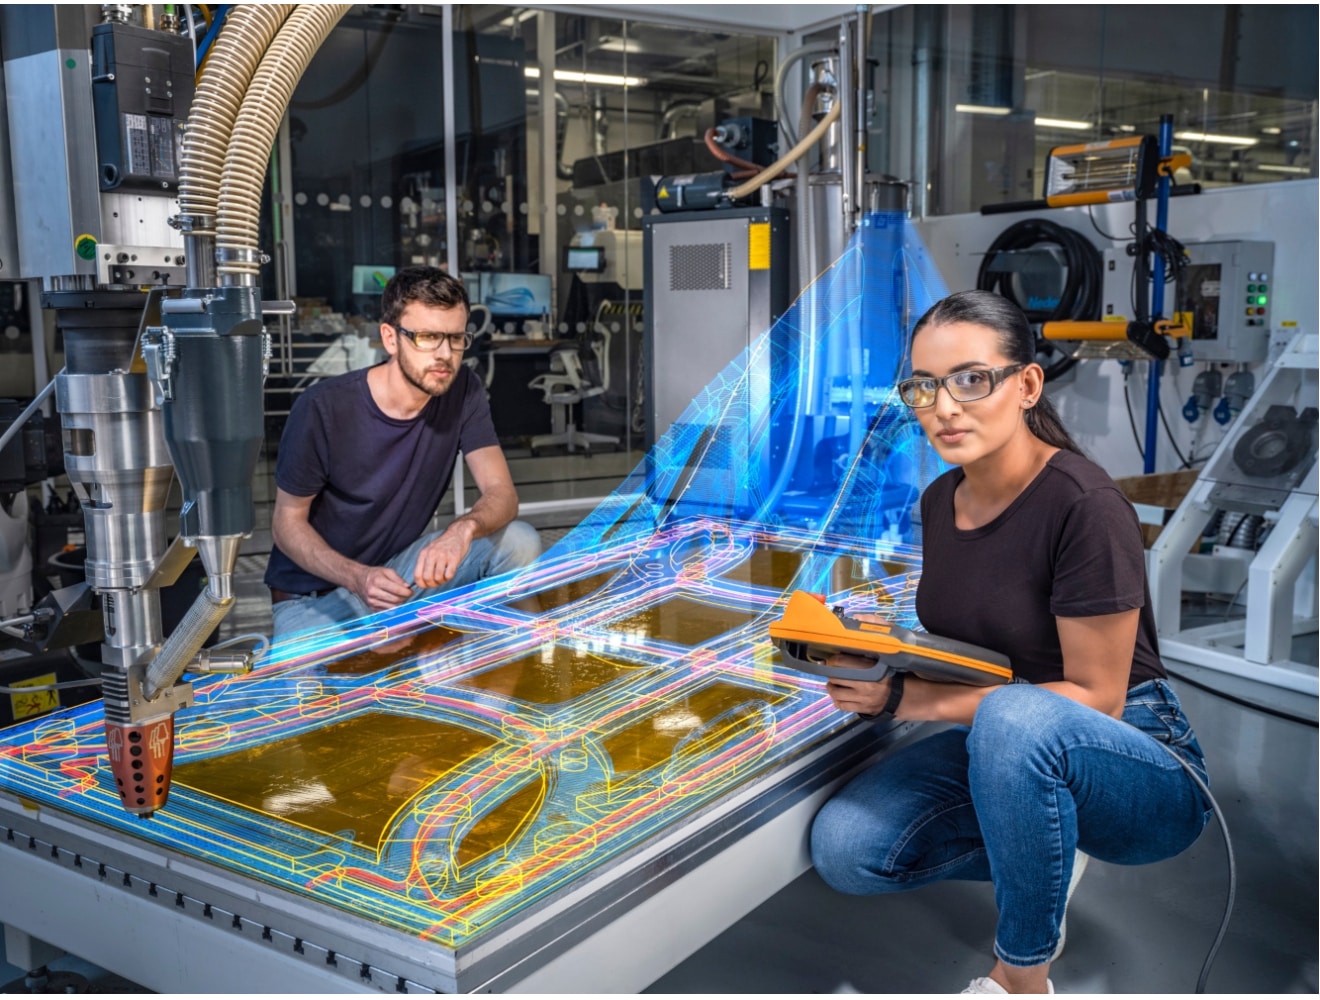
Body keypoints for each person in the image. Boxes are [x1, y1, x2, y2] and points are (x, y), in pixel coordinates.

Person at [808, 290, 1211, 994]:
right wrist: (877, 652)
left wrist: (906, 699)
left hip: (1140, 756)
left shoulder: (1084, 506)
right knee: (849, 847)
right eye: (924, 386)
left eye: (970, 379)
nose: (944, 407)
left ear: (1027, 385)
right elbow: (982, 641)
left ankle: (1021, 978)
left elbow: (1098, 698)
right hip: (1009, 745)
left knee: (1013, 718)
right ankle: (1047, 841)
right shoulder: (941, 501)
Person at [265, 266, 541, 638]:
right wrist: (358, 578)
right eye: (427, 337)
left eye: (456, 338)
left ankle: (528, 653)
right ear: (390, 339)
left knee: (518, 542)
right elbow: (286, 524)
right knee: (309, 676)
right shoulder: (323, 408)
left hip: (400, 577)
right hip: (316, 597)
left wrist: (461, 530)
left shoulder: (464, 390)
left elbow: (502, 494)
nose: (445, 354)